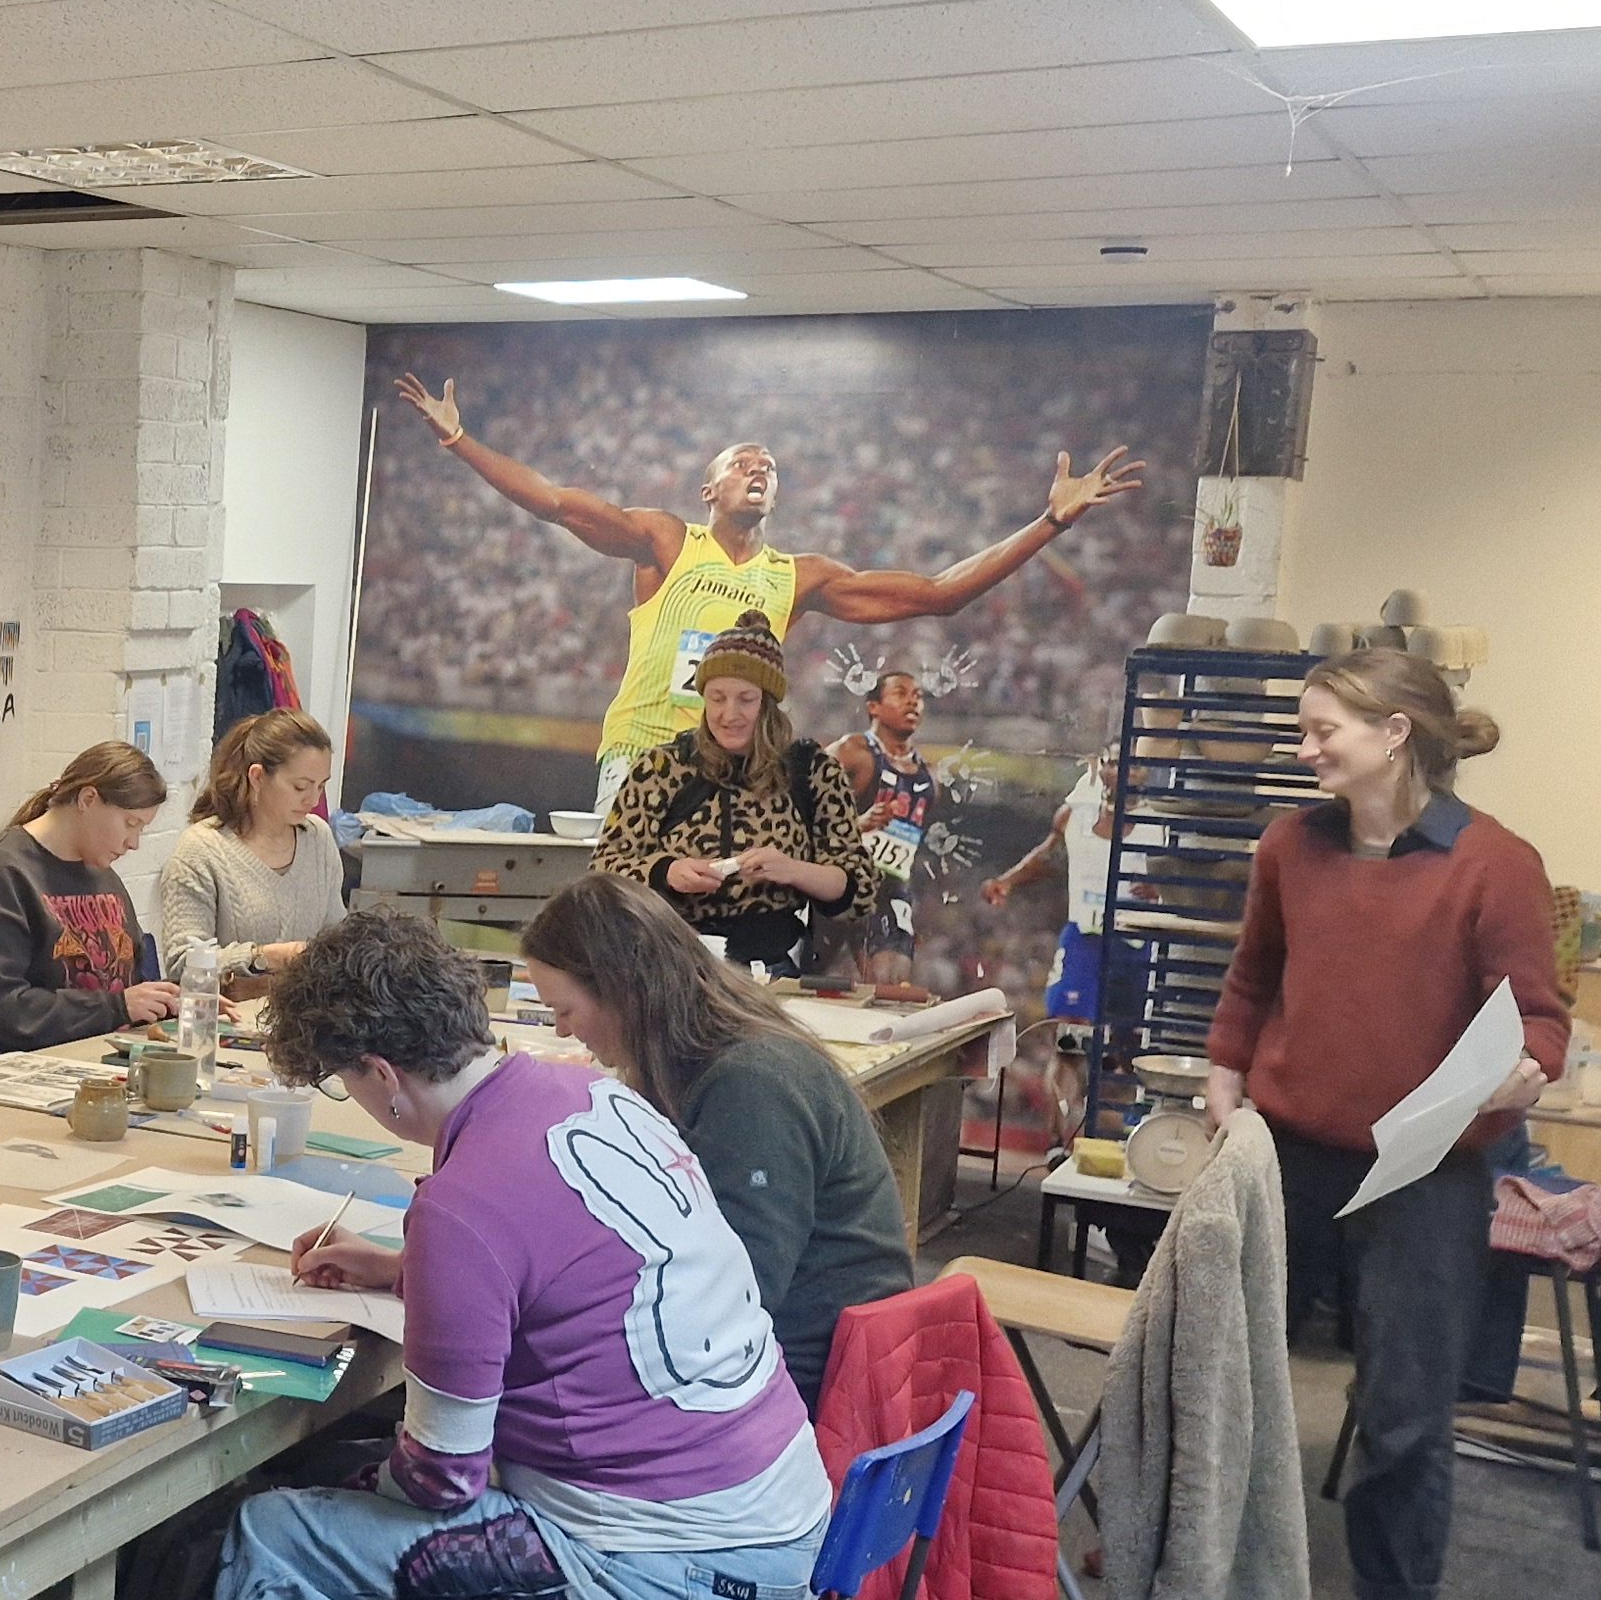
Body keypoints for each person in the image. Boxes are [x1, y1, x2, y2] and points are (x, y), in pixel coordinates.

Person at [196, 911, 826, 1600]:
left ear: (382, 1075)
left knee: (278, 1537)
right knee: (343, 1512)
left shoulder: (463, 1204)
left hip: (680, 1591)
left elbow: (442, 1482)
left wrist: (350, 1477)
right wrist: (406, 1271)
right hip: (780, 1543)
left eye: (347, 1083)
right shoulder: (593, 1096)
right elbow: (588, 1269)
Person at [1204, 649, 1564, 1600]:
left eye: (1323, 730)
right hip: (1283, 1148)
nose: (1304, 748)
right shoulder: (1288, 845)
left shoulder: (1495, 863)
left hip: (1424, 1172)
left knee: (1404, 1402)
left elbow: (1537, 1017)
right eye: (1304, 730)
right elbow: (1250, 980)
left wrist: (1524, 1069)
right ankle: (1193, 1550)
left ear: (1395, 732)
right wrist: (1225, 1096)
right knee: (1228, 1367)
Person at [390, 375, 1147, 806]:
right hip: (645, 757)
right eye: (743, 461)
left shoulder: (796, 576)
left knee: (697, 942)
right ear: (708, 486)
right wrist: (461, 442)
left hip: (732, 768)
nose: (759, 468)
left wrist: (1050, 521)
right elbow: (555, 501)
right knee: (627, 933)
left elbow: (937, 593)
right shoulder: (664, 542)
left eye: (770, 466)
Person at [518, 872, 913, 1409]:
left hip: (808, 1385)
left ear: (621, 991)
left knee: (528, 1401)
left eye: (565, 1011)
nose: (562, 1031)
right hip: (778, 1358)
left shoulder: (749, 1086)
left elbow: (738, 1298)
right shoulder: (695, 1059)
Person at [588, 616, 871, 978]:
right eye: (717, 698)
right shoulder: (662, 767)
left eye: (746, 700)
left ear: (768, 703)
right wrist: (667, 872)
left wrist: (793, 871)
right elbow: (605, 866)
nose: (728, 714)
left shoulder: (813, 772)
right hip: (669, 967)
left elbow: (858, 888)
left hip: (772, 971)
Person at [0, 742, 185, 1062]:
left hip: (89, 1058)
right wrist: (118, 1007)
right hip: (5, 1070)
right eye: (130, 823)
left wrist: (172, 1002)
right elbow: (0, 1009)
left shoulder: (101, 874)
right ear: (88, 799)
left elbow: (127, 982)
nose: (134, 843)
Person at [985, 741, 1120, 1145]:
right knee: (1069, 1044)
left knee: (1128, 1049)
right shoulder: (1077, 812)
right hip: (1086, 942)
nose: (1116, 768)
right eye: (1110, 760)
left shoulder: (1157, 819)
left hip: (1135, 943)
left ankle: (1124, 1141)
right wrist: (1007, 880)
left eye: (1128, 762)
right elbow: (1050, 856)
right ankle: (1061, 1143)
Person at [155, 708, 346, 987]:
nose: (313, 800)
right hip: (225, 1021)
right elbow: (182, 964)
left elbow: (337, 938)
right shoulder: (202, 849)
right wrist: (262, 957)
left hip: (307, 1018)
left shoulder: (318, 838)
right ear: (257, 777)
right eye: (300, 787)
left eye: (321, 786)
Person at [830, 668, 936, 983]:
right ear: (873, 707)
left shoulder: (929, 777)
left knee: (891, 987)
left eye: (918, 697)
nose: (913, 703)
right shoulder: (852, 753)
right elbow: (799, 805)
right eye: (901, 694)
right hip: (834, 879)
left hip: (888, 889)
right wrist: (856, 824)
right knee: (795, 976)